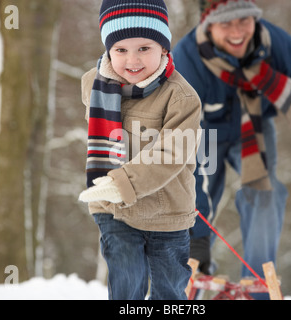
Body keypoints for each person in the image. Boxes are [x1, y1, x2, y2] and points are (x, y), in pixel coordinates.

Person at [173, 0, 291, 290]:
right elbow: (178, 143)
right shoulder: (187, 60)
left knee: (266, 194)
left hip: (253, 126)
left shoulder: (276, 46)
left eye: (244, 20)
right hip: (202, 132)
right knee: (197, 195)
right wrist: (197, 234)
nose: (237, 31)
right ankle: (185, 278)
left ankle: (256, 282)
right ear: (207, 24)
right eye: (226, 23)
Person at [78, 0, 202, 300]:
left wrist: (122, 183)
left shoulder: (182, 97)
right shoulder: (95, 85)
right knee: (126, 281)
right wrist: (110, 188)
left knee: (169, 290)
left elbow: (172, 153)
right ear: (108, 50)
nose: (132, 59)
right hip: (113, 209)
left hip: (167, 212)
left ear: (163, 48)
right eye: (121, 50)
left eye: (144, 48)